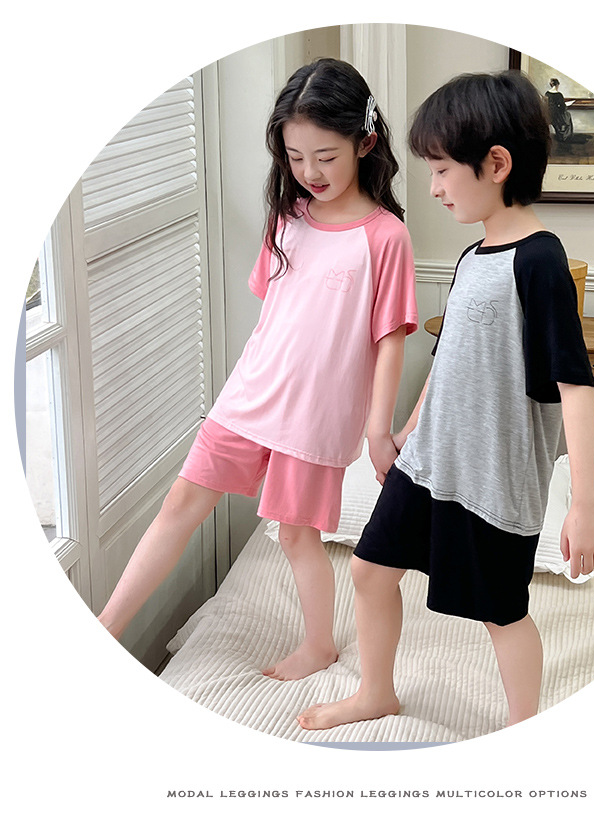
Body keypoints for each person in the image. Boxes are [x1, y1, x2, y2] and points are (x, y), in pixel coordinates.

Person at [297, 70, 594, 731]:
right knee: (369, 570)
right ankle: (376, 691)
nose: (435, 187)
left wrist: (585, 504)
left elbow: (575, 386)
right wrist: (407, 432)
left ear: (495, 164)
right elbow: (449, 364)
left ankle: (523, 726)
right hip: (430, 463)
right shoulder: (473, 256)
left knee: (503, 612)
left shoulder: (541, 262)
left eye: (442, 170)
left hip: (491, 480)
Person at [97, 58, 419, 682]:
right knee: (181, 502)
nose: (310, 172)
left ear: (365, 142)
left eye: (325, 156)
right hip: (250, 395)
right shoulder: (287, 216)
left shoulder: (386, 236)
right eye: (295, 157)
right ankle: (106, 629)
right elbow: (276, 315)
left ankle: (319, 645)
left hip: (316, 415)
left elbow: (389, 341)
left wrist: (378, 431)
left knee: (296, 534)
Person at [546, 77, 574, 143]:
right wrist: (566, 105)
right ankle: (565, 137)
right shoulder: (559, 95)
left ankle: (560, 134)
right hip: (557, 115)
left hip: (549, 114)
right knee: (568, 115)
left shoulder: (547, 93)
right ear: (557, 85)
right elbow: (562, 107)